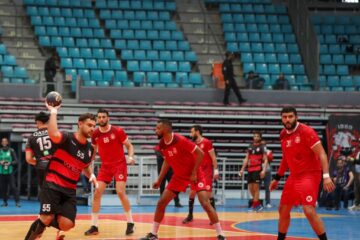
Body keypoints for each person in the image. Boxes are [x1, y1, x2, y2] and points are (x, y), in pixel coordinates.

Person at [140, 119, 226, 240]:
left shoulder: (181, 140)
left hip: (195, 174)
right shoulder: (162, 144)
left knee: (205, 203)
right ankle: (153, 234)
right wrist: (159, 180)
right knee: (161, 202)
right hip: (179, 176)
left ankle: (221, 234)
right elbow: (167, 161)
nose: (155, 131)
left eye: (158, 128)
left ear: (166, 129)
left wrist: (195, 172)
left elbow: (200, 153)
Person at [24, 102, 98, 240]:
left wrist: (92, 175)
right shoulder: (67, 138)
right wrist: (53, 111)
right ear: (80, 124)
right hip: (52, 184)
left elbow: (85, 166)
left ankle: (49, 216)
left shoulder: (90, 149)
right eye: (89, 125)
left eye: (94, 126)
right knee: (46, 218)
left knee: (67, 224)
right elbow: (52, 133)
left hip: (69, 190)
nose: (92, 128)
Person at [270, 106, 335, 240]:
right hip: (294, 176)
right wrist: (277, 178)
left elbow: (322, 153)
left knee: (308, 210)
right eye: (284, 117)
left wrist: (326, 176)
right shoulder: (283, 134)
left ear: (296, 117)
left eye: (290, 116)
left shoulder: (306, 132)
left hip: (310, 174)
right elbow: (286, 159)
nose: (287, 120)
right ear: (281, 118)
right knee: (283, 209)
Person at [85, 108, 135, 236]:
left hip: (119, 164)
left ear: (108, 118)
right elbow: (94, 150)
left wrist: (130, 157)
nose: (101, 119)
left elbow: (129, 146)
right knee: (97, 193)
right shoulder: (95, 133)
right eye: (99, 117)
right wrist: (89, 163)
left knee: (119, 192)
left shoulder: (118, 131)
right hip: (105, 166)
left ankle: (130, 223)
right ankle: (94, 226)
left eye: (103, 117)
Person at [182, 125, 220, 224]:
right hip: (196, 172)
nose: (190, 134)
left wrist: (216, 170)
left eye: (192, 132)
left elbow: (213, 157)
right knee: (192, 193)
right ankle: (190, 215)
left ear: (197, 132)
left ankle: (213, 216)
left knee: (207, 195)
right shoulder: (192, 143)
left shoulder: (207, 142)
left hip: (206, 172)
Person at [239, 132, 268, 212]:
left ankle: (254, 206)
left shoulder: (262, 147)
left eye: (257, 136)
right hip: (250, 169)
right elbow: (246, 158)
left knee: (256, 188)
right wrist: (242, 169)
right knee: (250, 188)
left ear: (260, 138)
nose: (255, 137)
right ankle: (258, 205)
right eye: (254, 136)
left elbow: (265, 159)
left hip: (257, 169)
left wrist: (264, 170)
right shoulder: (250, 146)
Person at [0, 137, 20, 207]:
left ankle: (17, 202)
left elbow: (16, 161)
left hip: (10, 172)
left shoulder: (11, 150)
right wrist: (0, 162)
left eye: (5, 141)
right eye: (3, 141)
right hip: (2, 173)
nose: (4, 142)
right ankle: (5, 202)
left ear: (7, 142)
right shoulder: (0, 151)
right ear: (1, 143)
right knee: (3, 188)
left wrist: (9, 163)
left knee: (13, 187)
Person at [262, 140, 273, 208]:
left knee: (267, 187)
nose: (263, 146)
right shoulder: (258, 151)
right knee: (257, 187)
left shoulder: (269, 151)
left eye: (264, 145)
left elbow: (271, 158)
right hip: (259, 170)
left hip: (267, 171)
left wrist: (265, 154)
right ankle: (257, 202)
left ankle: (268, 202)